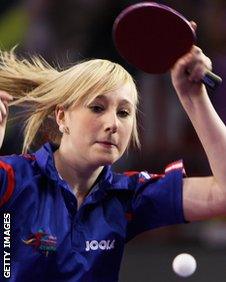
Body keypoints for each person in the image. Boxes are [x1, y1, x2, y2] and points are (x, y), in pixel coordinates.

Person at [0, 43, 225, 282]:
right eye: (97, 108)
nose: (113, 124)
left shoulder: (128, 196)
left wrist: (194, 98)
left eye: (124, 113)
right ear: (62, 117)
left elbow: (221, 194)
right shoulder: (14, 178)